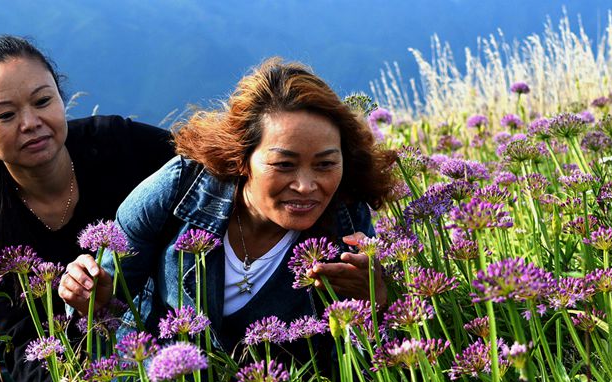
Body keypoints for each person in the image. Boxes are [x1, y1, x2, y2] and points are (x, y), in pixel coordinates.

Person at [62, 58, 395, 354]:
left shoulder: (347, 217)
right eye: (284, 165)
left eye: (325, 165)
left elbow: (366, 357)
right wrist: (89, 293)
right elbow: (108, 308)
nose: (306, 186)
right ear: (243, 159)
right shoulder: (179, 188)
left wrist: (378, 297)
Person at [0, 35, 174, 382]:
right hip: (56, 356)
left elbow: (203, 160)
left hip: (148, 321)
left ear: (60, 96)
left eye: (42, 102)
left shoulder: (118, 145)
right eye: (5, 115)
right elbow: (15, 332)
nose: (30, 123)